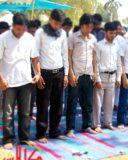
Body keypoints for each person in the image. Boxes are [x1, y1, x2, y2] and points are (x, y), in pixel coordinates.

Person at [0, 13, 41, 150]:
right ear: (12, 26)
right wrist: (1, 79)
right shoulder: (3, 38)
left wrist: (38, 73)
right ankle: (8, 139)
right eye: (18, 29)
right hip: (8, 82)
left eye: (23, 29)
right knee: (8, 113)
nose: (21, 32)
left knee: (25, 113)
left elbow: (34, 58)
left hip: (26, 81)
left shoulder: (29, 38)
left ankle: (24, 138)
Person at [35, 9, 69, 143]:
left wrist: (66, 74)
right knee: (43, 105)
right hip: (45, 74)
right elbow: (35, 54)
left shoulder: (63, 34)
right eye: (55, 23)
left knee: (58, 104)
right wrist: (38, 74)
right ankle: (41, 133)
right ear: (50, 20)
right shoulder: (40, 32)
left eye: (59, 24)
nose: (57, 26)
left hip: (59, 73)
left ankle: (54, 131)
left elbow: (65, 54)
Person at [66, 14, 98, 138]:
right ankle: (70, 128)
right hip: (76, 75)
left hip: (88, 75)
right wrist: (71, 74)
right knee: (72, 103)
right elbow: (68, 56)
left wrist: (95, 73)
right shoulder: (73, 38)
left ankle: (87, 125)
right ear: (82, 25)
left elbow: (94, 57)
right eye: (87, 27)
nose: (89, 29)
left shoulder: (93, 39)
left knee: (88, 103)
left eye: (91, 27)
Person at [93, 22, 122, 131]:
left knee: (110, 102)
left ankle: (108, 122)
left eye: (114, 33)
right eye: (110, 33)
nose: (113, 35)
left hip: (112, 76)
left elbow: (119, 63)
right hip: (101, 76)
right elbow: (95, 63)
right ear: (105, 33)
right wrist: (97, 78)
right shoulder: (99, 45)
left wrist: (118, 77)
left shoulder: (117, 46)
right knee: (97, 102)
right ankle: (96, 124)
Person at [112, 20, 126, 111]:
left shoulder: (120, 38)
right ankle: (115, 104)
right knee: (116, 86)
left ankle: (115, 104)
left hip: (118, 65)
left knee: (116, 85)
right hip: (117, 64)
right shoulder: (119, 39)